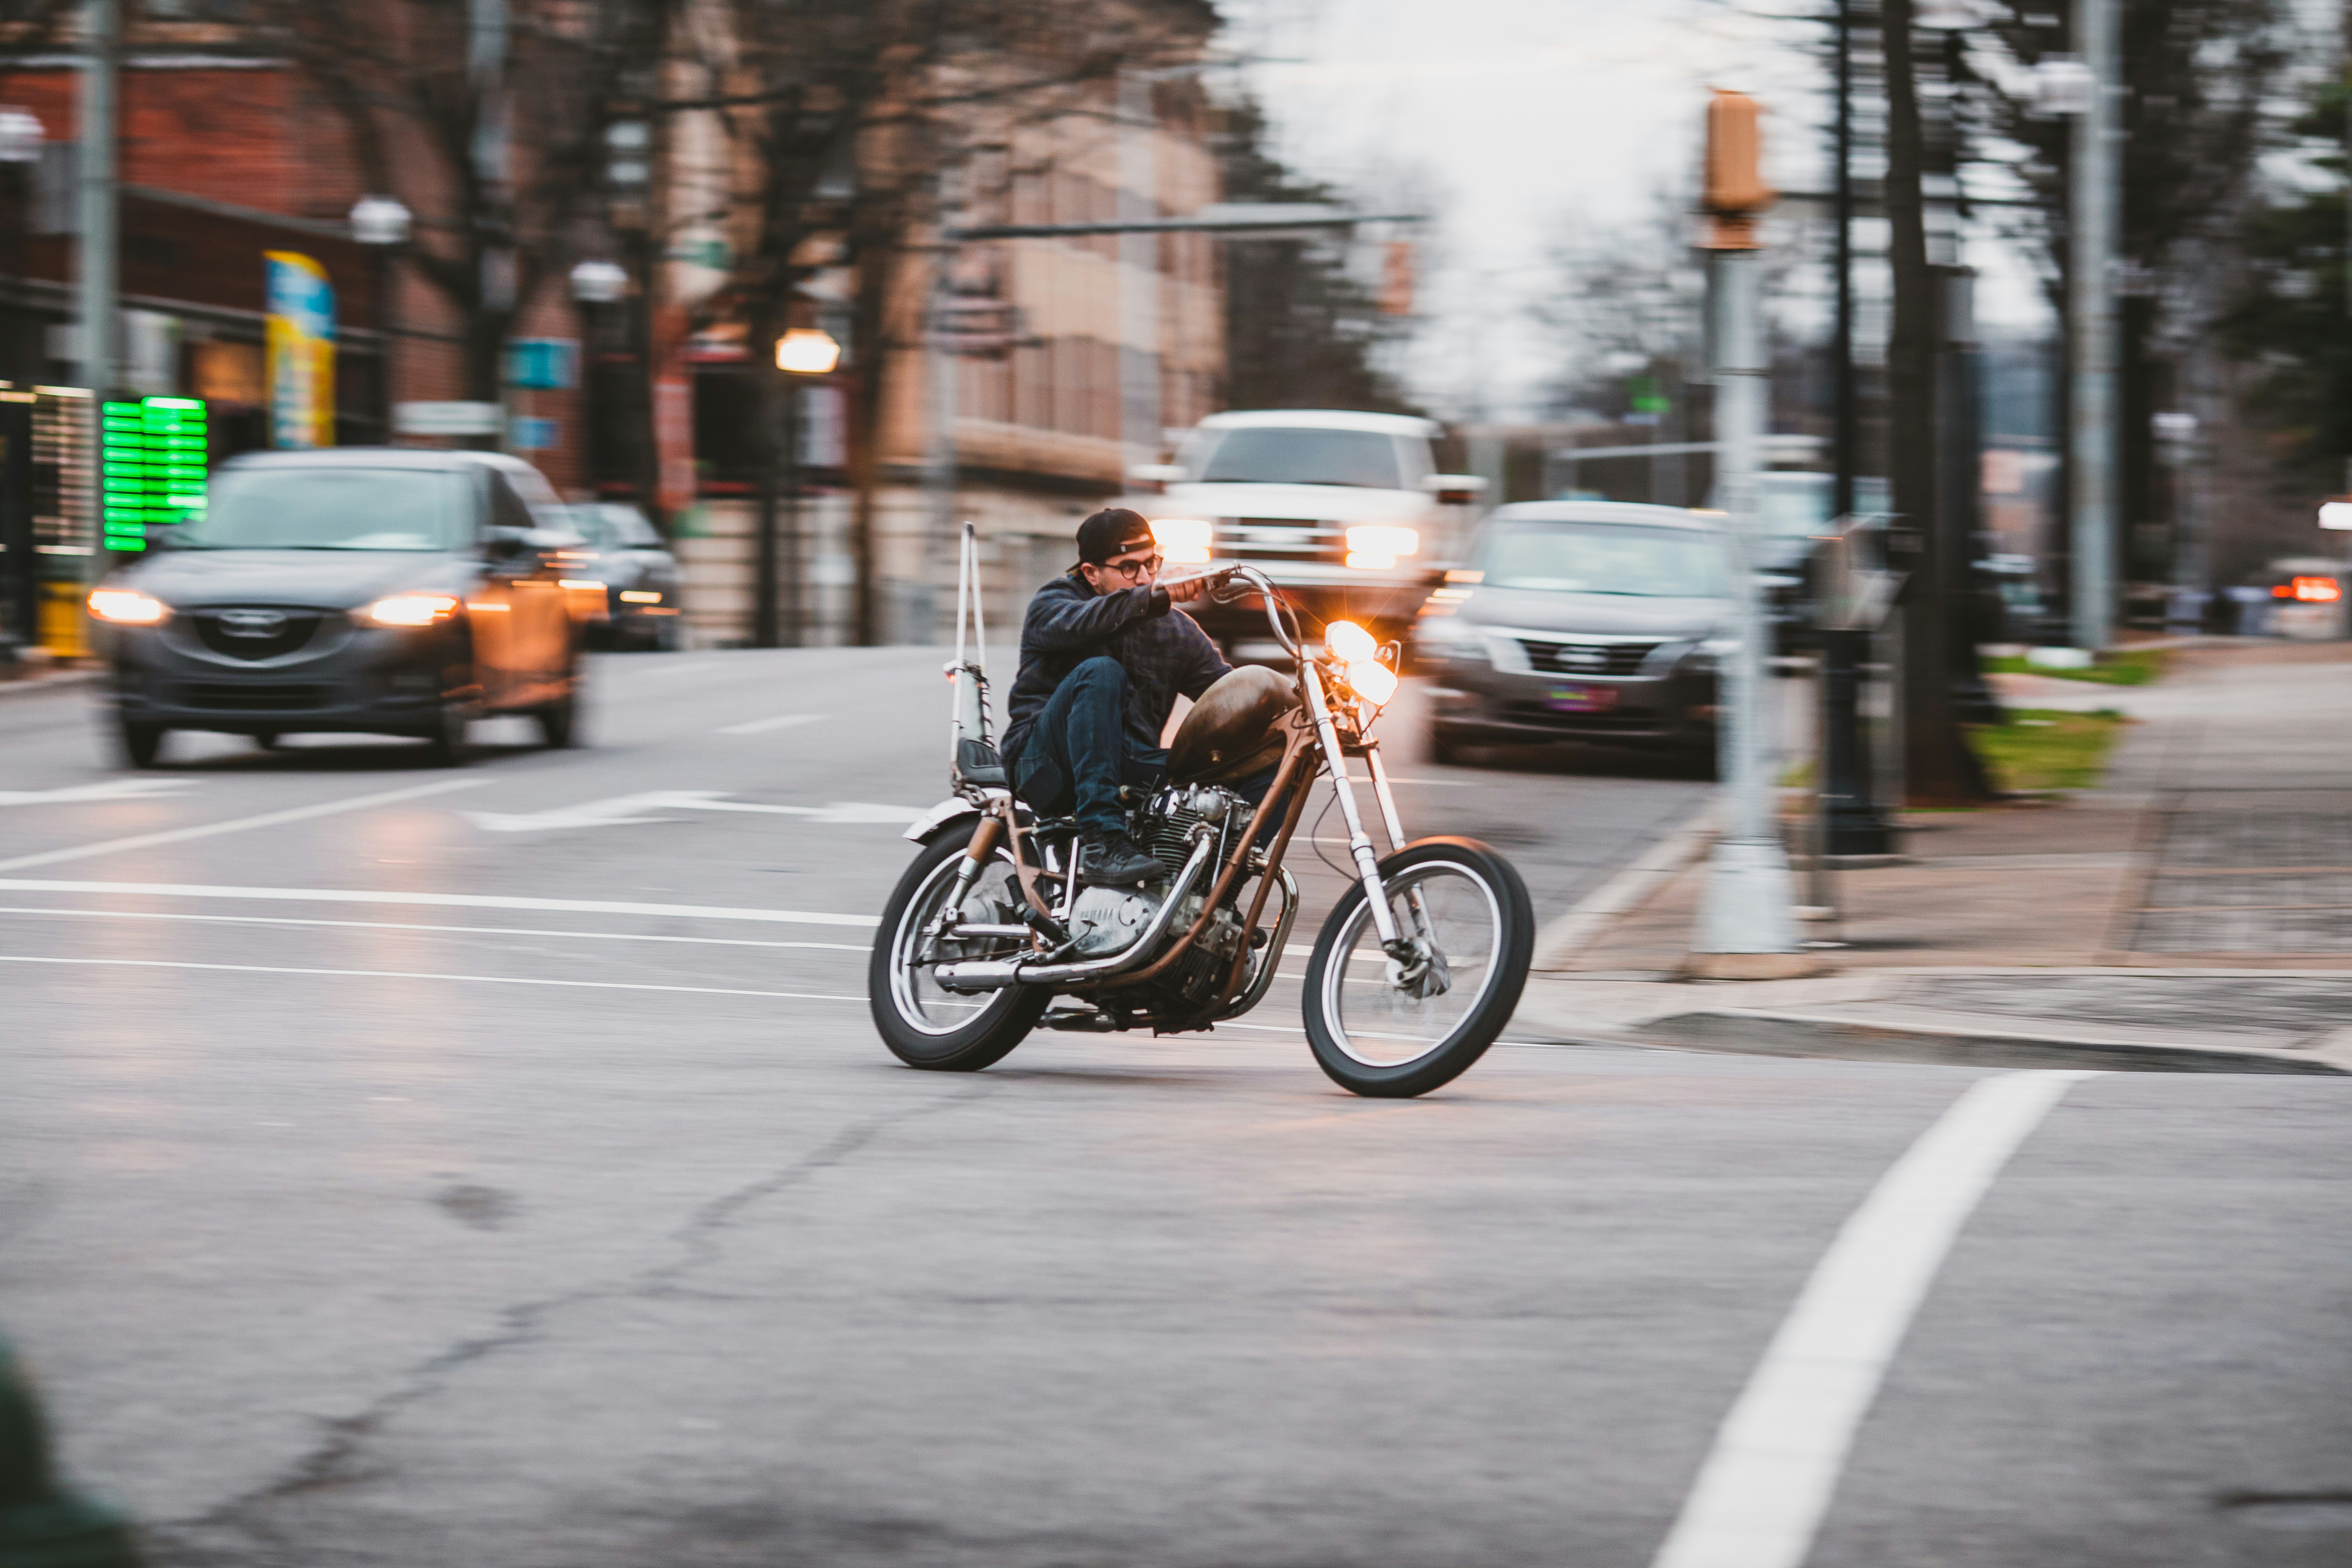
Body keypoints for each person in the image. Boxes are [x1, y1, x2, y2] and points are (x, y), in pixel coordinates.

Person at [1001, 508, 1228, 886]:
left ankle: (1213, 888)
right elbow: (1085, 622)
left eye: (1151, 563)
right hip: (1043, 763)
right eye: (1129, 568)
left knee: (1247, 763)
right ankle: (1102, 842)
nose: (1144, 577)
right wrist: (1154, 595)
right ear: (1091, 573)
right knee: (1101, 672)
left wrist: (1300, 707)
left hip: (1127, 763)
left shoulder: (1176, 630)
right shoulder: (1056, 603)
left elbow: (1227, 697)